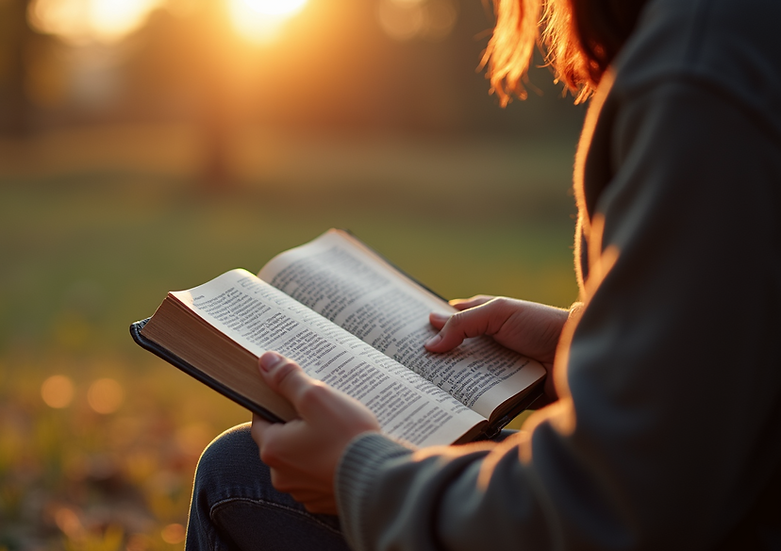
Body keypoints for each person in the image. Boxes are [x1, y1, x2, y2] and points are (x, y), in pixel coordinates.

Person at [185, 0, 781, 548]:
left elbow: (616, 503)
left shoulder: (698, 76)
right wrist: (574, 344)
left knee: (239, 475)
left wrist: (360, 476)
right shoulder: (727, 39)